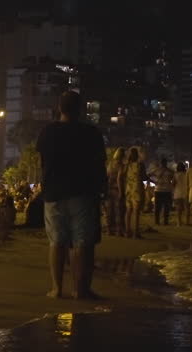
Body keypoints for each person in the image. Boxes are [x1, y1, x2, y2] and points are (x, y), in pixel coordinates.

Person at [36, 90, 108, 300]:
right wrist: (102, 189)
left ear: (59, 108)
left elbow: (41, 162)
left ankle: (57, 288)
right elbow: (99, 165)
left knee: (56, 242)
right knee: (82, 243)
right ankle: (80, 290)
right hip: (82, 192)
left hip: (53, 193)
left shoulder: (47, 132)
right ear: (81, 109)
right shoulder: (90, 133)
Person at [124, 147, 144, 239]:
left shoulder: (127, 165)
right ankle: (136, 233)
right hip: (137, 189)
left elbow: (123, 175)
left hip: (128, 189)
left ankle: (128, 232)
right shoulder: (140, 165)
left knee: (128, 211)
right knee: (136, 211)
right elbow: (143, 176)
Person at [105, 148, 125, 236]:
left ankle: (109, 229)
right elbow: (119, 180)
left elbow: (107, 176)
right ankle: (118, 230)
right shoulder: (121, 166)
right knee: (119, 211)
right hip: (117, 190)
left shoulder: (110, 164)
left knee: (109, 211)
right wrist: (121, 192)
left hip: (109, 189)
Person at [152, 157, 175, 227]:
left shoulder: (157, 170)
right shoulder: (169, 171)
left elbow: (148, 175)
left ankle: (157, 221)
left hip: (159, 190)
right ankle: (165, 221)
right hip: (166, 190)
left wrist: (154, 182)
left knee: (158, 207)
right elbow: (173, 177)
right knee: (166, 207)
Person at [173, 161, 189, 226]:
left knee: (178, 209)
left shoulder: (175, 175)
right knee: (186, 208)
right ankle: (187, 222)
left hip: (177, 192)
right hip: (186, 192)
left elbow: (173, 183)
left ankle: (179, 222)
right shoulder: (186, 174)